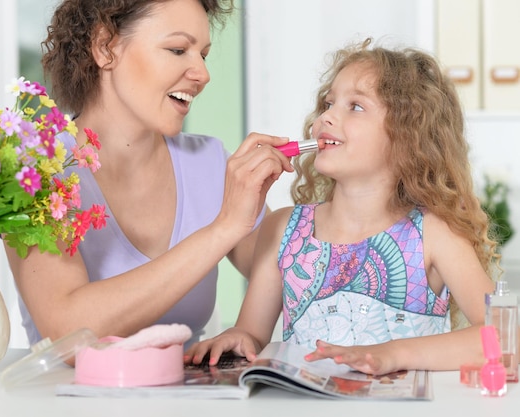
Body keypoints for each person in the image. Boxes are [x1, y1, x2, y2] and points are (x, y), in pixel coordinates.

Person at [185, 38, 499, 375]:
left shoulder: (434, 235)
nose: (326, 117)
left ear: (409, 139)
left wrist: (391, 354)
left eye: (356, 106)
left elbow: (506, 337)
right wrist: (235, 337)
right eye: (328, 103)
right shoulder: (283, 229)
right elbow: (251, 333)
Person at [4, 0, 293, 349]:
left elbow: (290, 271)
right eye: (177, 49)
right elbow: (69, 335)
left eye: (202, 54)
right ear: (105, 47)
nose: (202, 74)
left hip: (191, 402)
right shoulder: (36, 174)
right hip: (71, 402)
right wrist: (224, 229)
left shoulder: (211, 163)